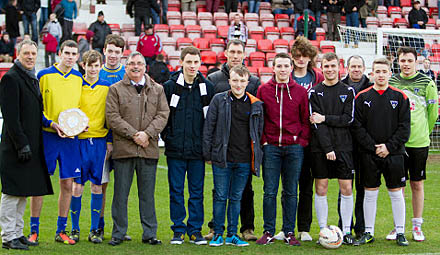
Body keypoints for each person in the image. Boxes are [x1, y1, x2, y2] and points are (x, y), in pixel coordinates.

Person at [106, 51, 169, 246]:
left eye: (139, 63)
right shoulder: (115, 89)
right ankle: (118, 233)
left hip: (148, 150)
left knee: (147, 195)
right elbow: (112, 117)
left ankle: (149, 233)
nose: (136, 66)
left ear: (145, 67)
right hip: (124, 150)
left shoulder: (157, 90)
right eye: (132, 63)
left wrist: (147, 134)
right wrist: (134, 134)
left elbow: (163, 114)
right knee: (120, 194)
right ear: (126, 67)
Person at [27, 40, 83, 246]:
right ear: (59, 53)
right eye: (66, 52)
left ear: (78, 57)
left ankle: (61, 231)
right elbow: (35, 107)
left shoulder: (79, 79)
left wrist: (79, 126)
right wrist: (50, 123)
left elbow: (79, 110)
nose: (70, 56)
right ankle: (34, 231)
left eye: (74, 53)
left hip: (69, 140)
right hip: (48, 136)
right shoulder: (44, 75)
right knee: (39, 183)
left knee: (67, 183)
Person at [0, 39, 54, 251]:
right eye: (27, 53)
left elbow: (35, 114)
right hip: (15, 147)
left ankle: (18, 232)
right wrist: (22, 144)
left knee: (23, 191)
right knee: (12, 192)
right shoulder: (11, 79)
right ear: (18, 54)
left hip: (29, 146)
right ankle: (7, 235)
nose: (31, 57)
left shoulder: (31, 78)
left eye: (33, 53)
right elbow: (11, 118)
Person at [207, 39, 261, 242]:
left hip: (244, 153)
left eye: (239, 52)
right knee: (219, 192)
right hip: (223, 151)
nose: (236, 55)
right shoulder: (213, 79)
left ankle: (246, 228)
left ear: (244, 55)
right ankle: (215, 229)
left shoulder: (254, 82)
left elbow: (257, 117)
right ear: (226, 54)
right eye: (232, 52)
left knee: (244, 191)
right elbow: (209, 118)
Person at [353, 57, 411, 246]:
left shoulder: (400, 97)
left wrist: (388, 147)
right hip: (369, 154)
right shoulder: (362, 97)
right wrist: (373, 147)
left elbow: (404, 128)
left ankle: (400, 231)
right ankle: (368, 232)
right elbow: (357, 127)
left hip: (393, 154)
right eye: (377, 71)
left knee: (396, 192)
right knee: (370, 192)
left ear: (389, 74)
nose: (380, 75)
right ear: (372, 73)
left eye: (384, 71)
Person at [162, 46, 215, 245]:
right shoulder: (170, 86)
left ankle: (194, 230)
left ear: (200, 63)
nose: (192, 66)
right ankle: (178, 230)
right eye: (189, 62)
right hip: (175, 149)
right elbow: (163, 116)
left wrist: (207, 147)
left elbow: (210, 120)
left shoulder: (207, 87)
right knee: (176, 190)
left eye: (196, 62)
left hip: (197, 152)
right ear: (181, 62)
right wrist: (167, 137)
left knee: (196, 192)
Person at [256, 53, 310, 246]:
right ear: (273, 68)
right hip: (271, 148)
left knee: (291, 192)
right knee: (269, 191)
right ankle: (268, 230)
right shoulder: (263, 90)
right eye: (279, 66)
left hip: (293, 149)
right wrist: (264, 141)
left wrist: (301, 141)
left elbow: (305, 119)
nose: (283, 69)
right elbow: (259, 118)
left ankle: (289, 231)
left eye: (286, 66)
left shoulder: (300, 92)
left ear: (291, 68)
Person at [275, 36, 323, 242]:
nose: (301, 59)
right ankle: (285, 228)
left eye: (305, 56)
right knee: (287, 186)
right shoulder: (286, 75)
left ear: (310, 57)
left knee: (306, 185)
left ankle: (304, 227)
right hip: (290, 139)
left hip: (313, 139)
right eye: (297, 56)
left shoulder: (317, 77)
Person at [388, 47, 438, 242]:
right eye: (403, 60)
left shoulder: (427, 82)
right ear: (398, 62)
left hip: (418, 142)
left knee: (417, 183)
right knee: (397, 186)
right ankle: (398, 226)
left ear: (416, 62)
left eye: (409, 60)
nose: (406, 64)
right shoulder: (392, 82)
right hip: (396, 143)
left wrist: (423, 132)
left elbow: (433, 113)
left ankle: (417, 226)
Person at [308, 52, 357, 245]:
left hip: (344, 147)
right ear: (321, 68)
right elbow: (315, 123)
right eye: (326, 66)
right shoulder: (314, 92)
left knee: (346, 188)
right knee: (321, 187)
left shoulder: (348, 91)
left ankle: (345, 231)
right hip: (321, 148)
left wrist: (326, 118)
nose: (329, 70)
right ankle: (323, 230)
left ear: (339, 67)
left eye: (333, 66)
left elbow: (348, 119)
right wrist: (328, 147)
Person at [68, 50, 111, 244]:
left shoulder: (107, 87)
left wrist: (109, 140)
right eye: (89, 65)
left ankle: (95, 230)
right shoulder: (76, 86)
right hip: (79, 142)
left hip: (100, 143)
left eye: (96, 65)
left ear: (100, 66)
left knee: (96, 186)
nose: (93, 69)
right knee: (77, 186)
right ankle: (74, 229)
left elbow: (111, 116)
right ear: (83, 65)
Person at [97, 34, 127, 240]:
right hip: (100, 139)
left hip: (123, 140)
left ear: (122, 54)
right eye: (110, 51)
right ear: (104, 51)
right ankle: (98, 225)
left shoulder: (128, 74)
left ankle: (119, 229)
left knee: (122, 188)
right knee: (101, 185)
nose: (113, 55)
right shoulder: (95, 73)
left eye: (117, 52)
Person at [340, 55, 371, 238]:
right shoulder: (341, 87)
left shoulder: (371, 87)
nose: (356, 69)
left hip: (364, 146)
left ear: (364, 67)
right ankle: (344, 225)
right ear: (347, 68)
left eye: (359, 66)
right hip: (344, 144)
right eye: (353, 66)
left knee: (362, 187)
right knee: (345, 187)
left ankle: (361, 226)